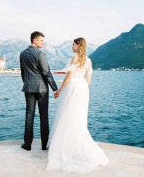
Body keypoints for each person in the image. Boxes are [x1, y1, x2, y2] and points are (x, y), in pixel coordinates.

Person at [46, 37, 109, 174]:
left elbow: (69, 76)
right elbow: (89, 76)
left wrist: (59, 90)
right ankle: (76, 144)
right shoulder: (88, 60)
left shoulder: (73, 58)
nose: (71, 46)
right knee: (78, 117)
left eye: (73, 44)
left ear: (78, 46)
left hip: (73, 87)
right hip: (83, 88)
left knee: (67, 115)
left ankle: (66, 147)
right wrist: (85, 89)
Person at [19, 31, 58, 151]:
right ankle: (44, 144)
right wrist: (55, 89)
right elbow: (47, 72)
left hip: (28, 88)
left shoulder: (22, 54)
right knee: (44, 116)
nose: (43, 43)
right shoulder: (40, 54)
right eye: (41, 40)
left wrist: (27, 84)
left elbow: (23, 72)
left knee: (29, 115)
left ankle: (27, 144)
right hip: (42, 89)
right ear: (34, 40)